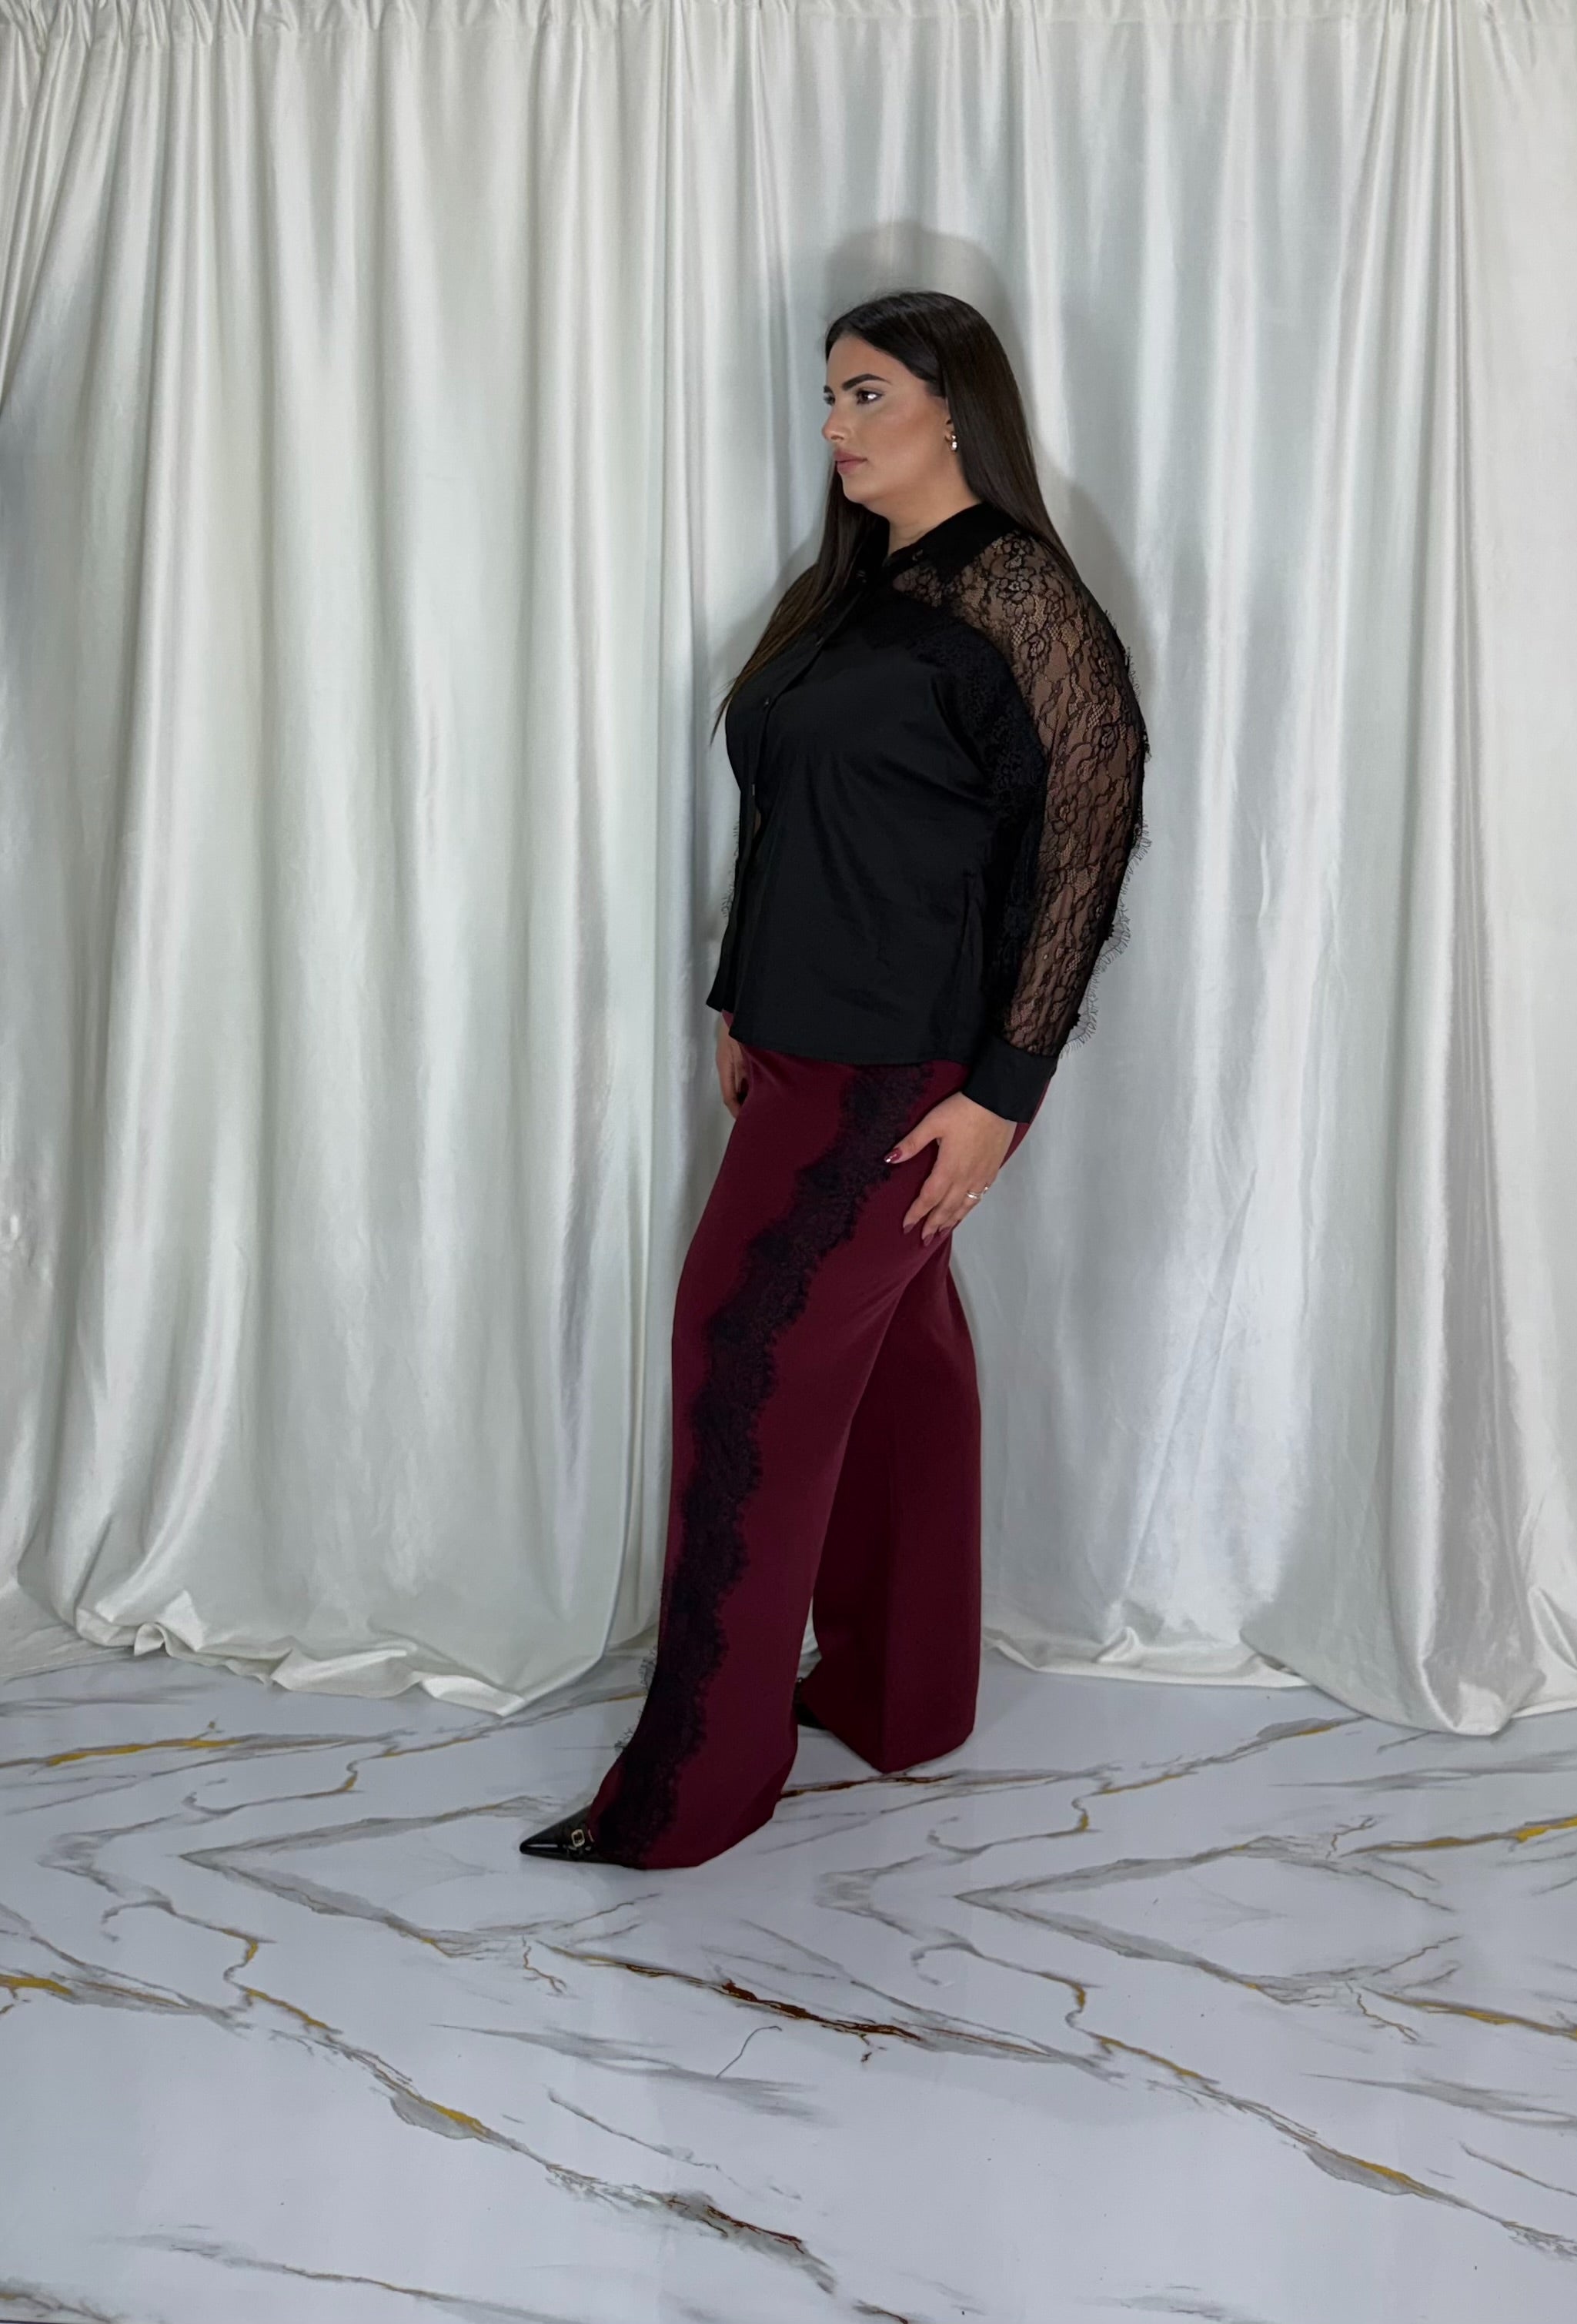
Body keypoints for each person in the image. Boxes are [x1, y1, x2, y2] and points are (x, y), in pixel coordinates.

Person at [520, 288, 1149, 1871]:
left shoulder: (1020, 592)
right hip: (797, 1045)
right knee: (899, 1364)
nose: (833, 427)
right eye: (828, 397)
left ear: (956, 406)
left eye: (867, 394)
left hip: (900, 1069)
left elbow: (1085, 840)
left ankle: (692, 1786)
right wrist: (737, 996)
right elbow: (787, 816)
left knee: (737, 1356)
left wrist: (1003, 1093)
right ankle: (897, 1693)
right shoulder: (850, 593)